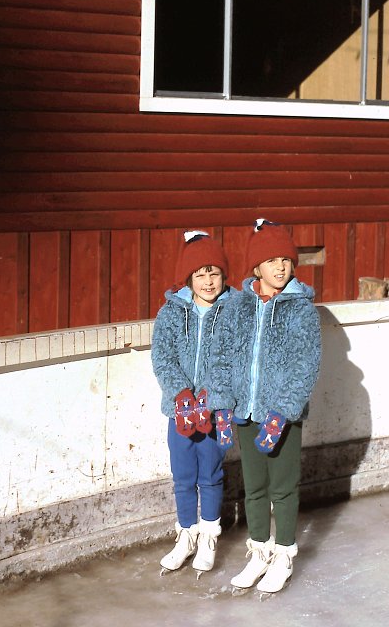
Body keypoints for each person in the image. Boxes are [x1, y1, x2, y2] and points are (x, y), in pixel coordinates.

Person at [221, 218, 321, 593]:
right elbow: (223, 356)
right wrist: (221, 404)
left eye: (287, 260)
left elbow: (305, 366)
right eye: (272, 260)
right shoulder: (237, 307)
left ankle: (283, 555)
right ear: (256, 267)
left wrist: (284, 410)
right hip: (246, 412)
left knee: (283, 488)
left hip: (282, 416)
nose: (281, 267)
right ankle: (259, 551)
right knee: (255, 487)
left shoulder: (302, 311)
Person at [151, 230, 238, 576]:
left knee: (211, 473)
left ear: (223, 275)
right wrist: (181, 394)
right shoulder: (171, 312)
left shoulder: (235, 311)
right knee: (183, 475)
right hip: (181, 410)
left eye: (213, 272)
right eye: (200, 274)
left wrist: (213, 399)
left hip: (217, 410)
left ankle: (209, 536)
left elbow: (236, 359)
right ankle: (186, 534)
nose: (208, 281)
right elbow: (162, 357)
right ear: (188, 278)